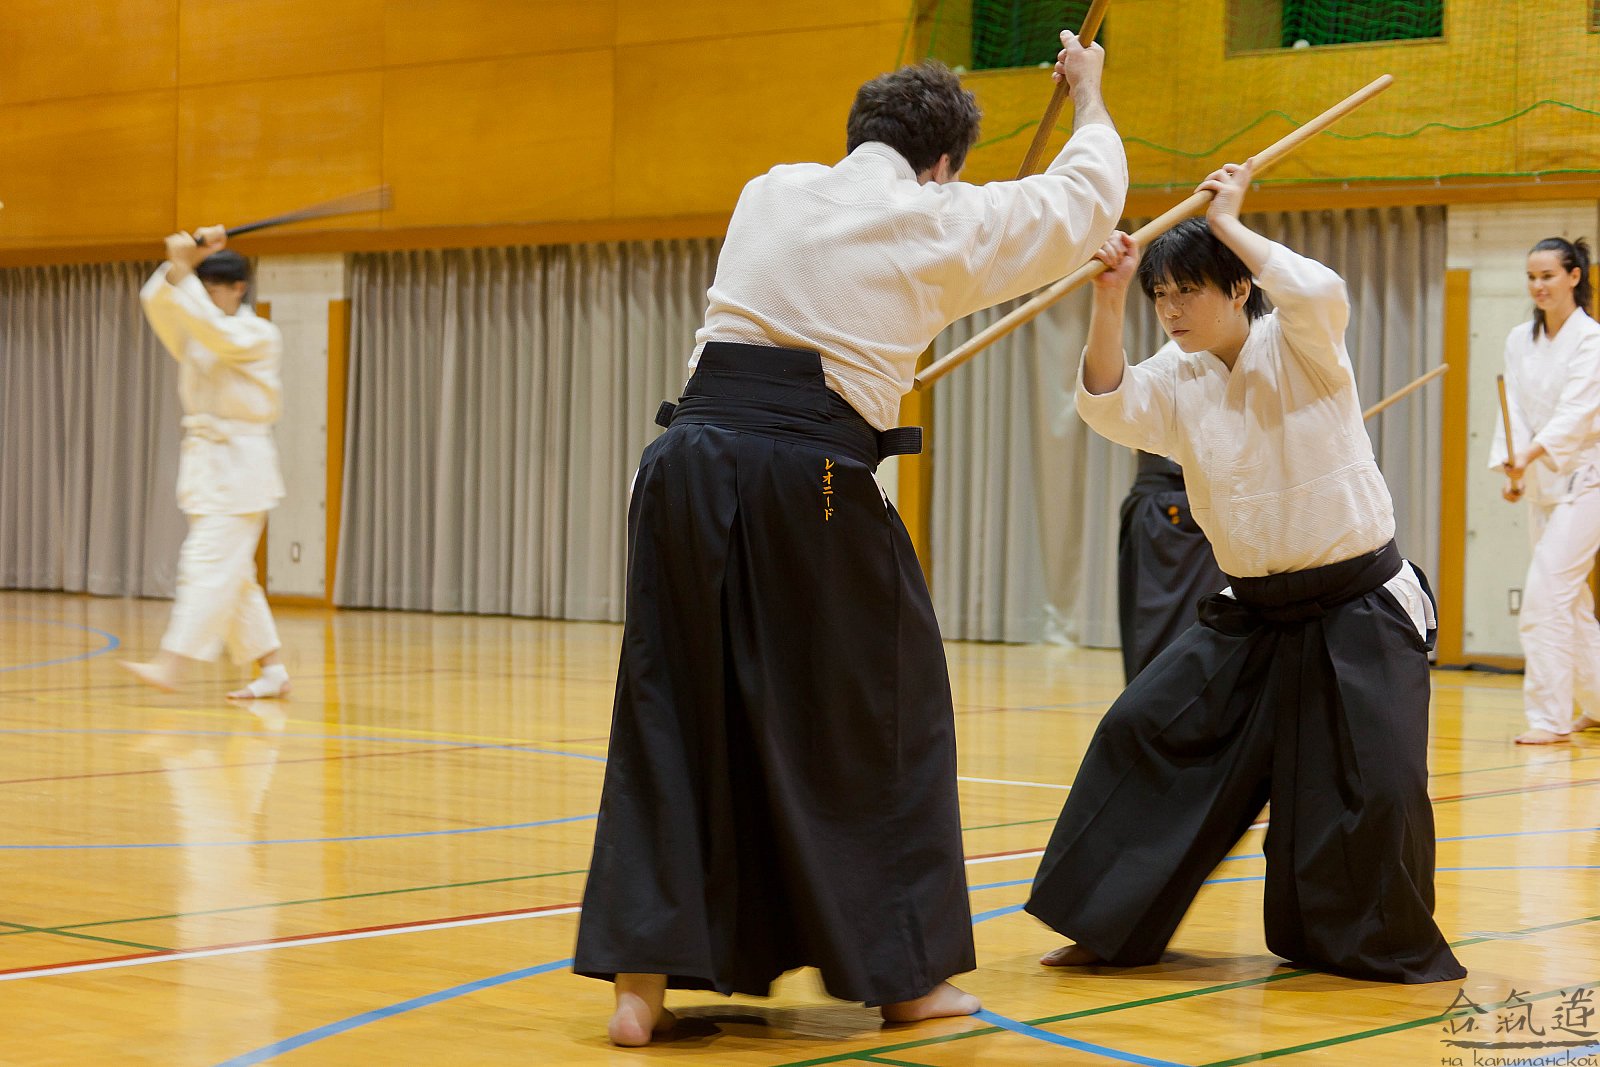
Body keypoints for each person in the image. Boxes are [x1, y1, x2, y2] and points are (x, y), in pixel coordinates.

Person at [573, 36, 1127, 1046]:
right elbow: (1085, 200)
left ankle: (639, 986)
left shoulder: (772, 189)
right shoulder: (940, 219)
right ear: (943, 161)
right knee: (885, 710)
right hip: (812, 481)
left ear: (859, 134)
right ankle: (904, 978)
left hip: (685, 464)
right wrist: (1086, 94)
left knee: (672, 706)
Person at [1024, 162, 1465, 984]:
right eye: (1161, 296)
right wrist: (1111, 298)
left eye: (1187, 291)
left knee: (1376, 783)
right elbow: (1108, 403)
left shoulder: (1300, 342)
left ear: (1237, 288)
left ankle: (1364, 943)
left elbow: (1320, 289)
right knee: (1141, 728)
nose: (1172, 310)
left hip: (1359, 605)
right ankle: (1111, 925)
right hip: (1253, 613)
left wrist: (1229, 223)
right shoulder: (1177, 375)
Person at [120, 228, 291, 701]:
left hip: (242, 468)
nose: (208, 294)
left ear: (239, 288)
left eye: (216, 286)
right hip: (207, 466)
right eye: (205, 285)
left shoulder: (258, 335)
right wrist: (180, 265)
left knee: (206, 565)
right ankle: (273, 670)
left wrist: (186, 271)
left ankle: (171, 663)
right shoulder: (197, 334)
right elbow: (157, 303)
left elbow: (216, 331)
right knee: (236, 579)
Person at [1491, 237, 1600, 745]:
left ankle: (1549, 717)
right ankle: (1597, 702)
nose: (1538, 286)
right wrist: (1516, 472)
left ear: (1574, 276)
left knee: (1546, 596)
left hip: (1588, 481)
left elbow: (1578, 412)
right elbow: (1513, 410)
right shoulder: (1520, 340)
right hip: (1544, 484)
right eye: (1532, 277)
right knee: (1571, 603)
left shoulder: (1592, 341)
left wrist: (1531, 454)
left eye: (1548, 276)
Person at [1116, 451, 1224, 681]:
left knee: (1208, 619)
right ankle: (1151, 694)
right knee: (1153, 629)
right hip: (1161, 508)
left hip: (1206, 509)